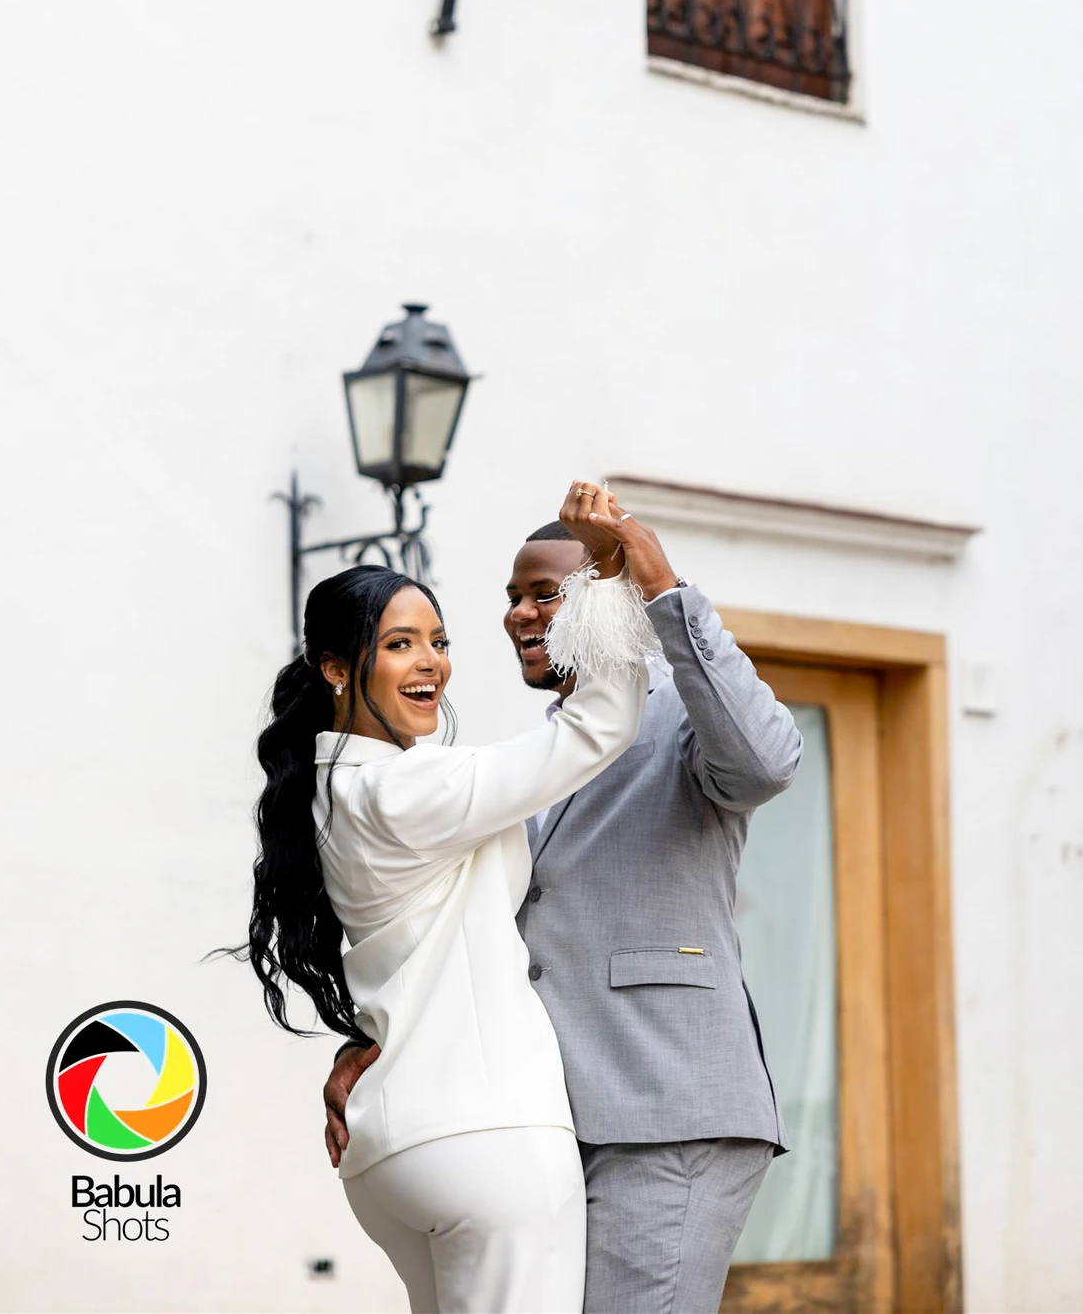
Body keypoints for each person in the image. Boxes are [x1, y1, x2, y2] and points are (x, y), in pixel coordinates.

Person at [325, 503, 804, 1314]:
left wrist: (659, 587)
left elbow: (768, 760)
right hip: (550, 1123)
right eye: (511, 595)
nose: (516, 613)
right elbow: (469, 930)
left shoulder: (679, 713)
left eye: (543, 593)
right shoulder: (539, 759)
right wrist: (374, 1039)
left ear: (602, 596)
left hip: (666, 1108)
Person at [246, 480, 657, 1314]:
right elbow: (600, 725)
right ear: (335, 667)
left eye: (437, 640)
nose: (431, 661)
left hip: (392, 1152)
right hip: (488, 1138)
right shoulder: (408, 786)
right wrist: (609, 567)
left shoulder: (329, 791)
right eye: (399, 644)